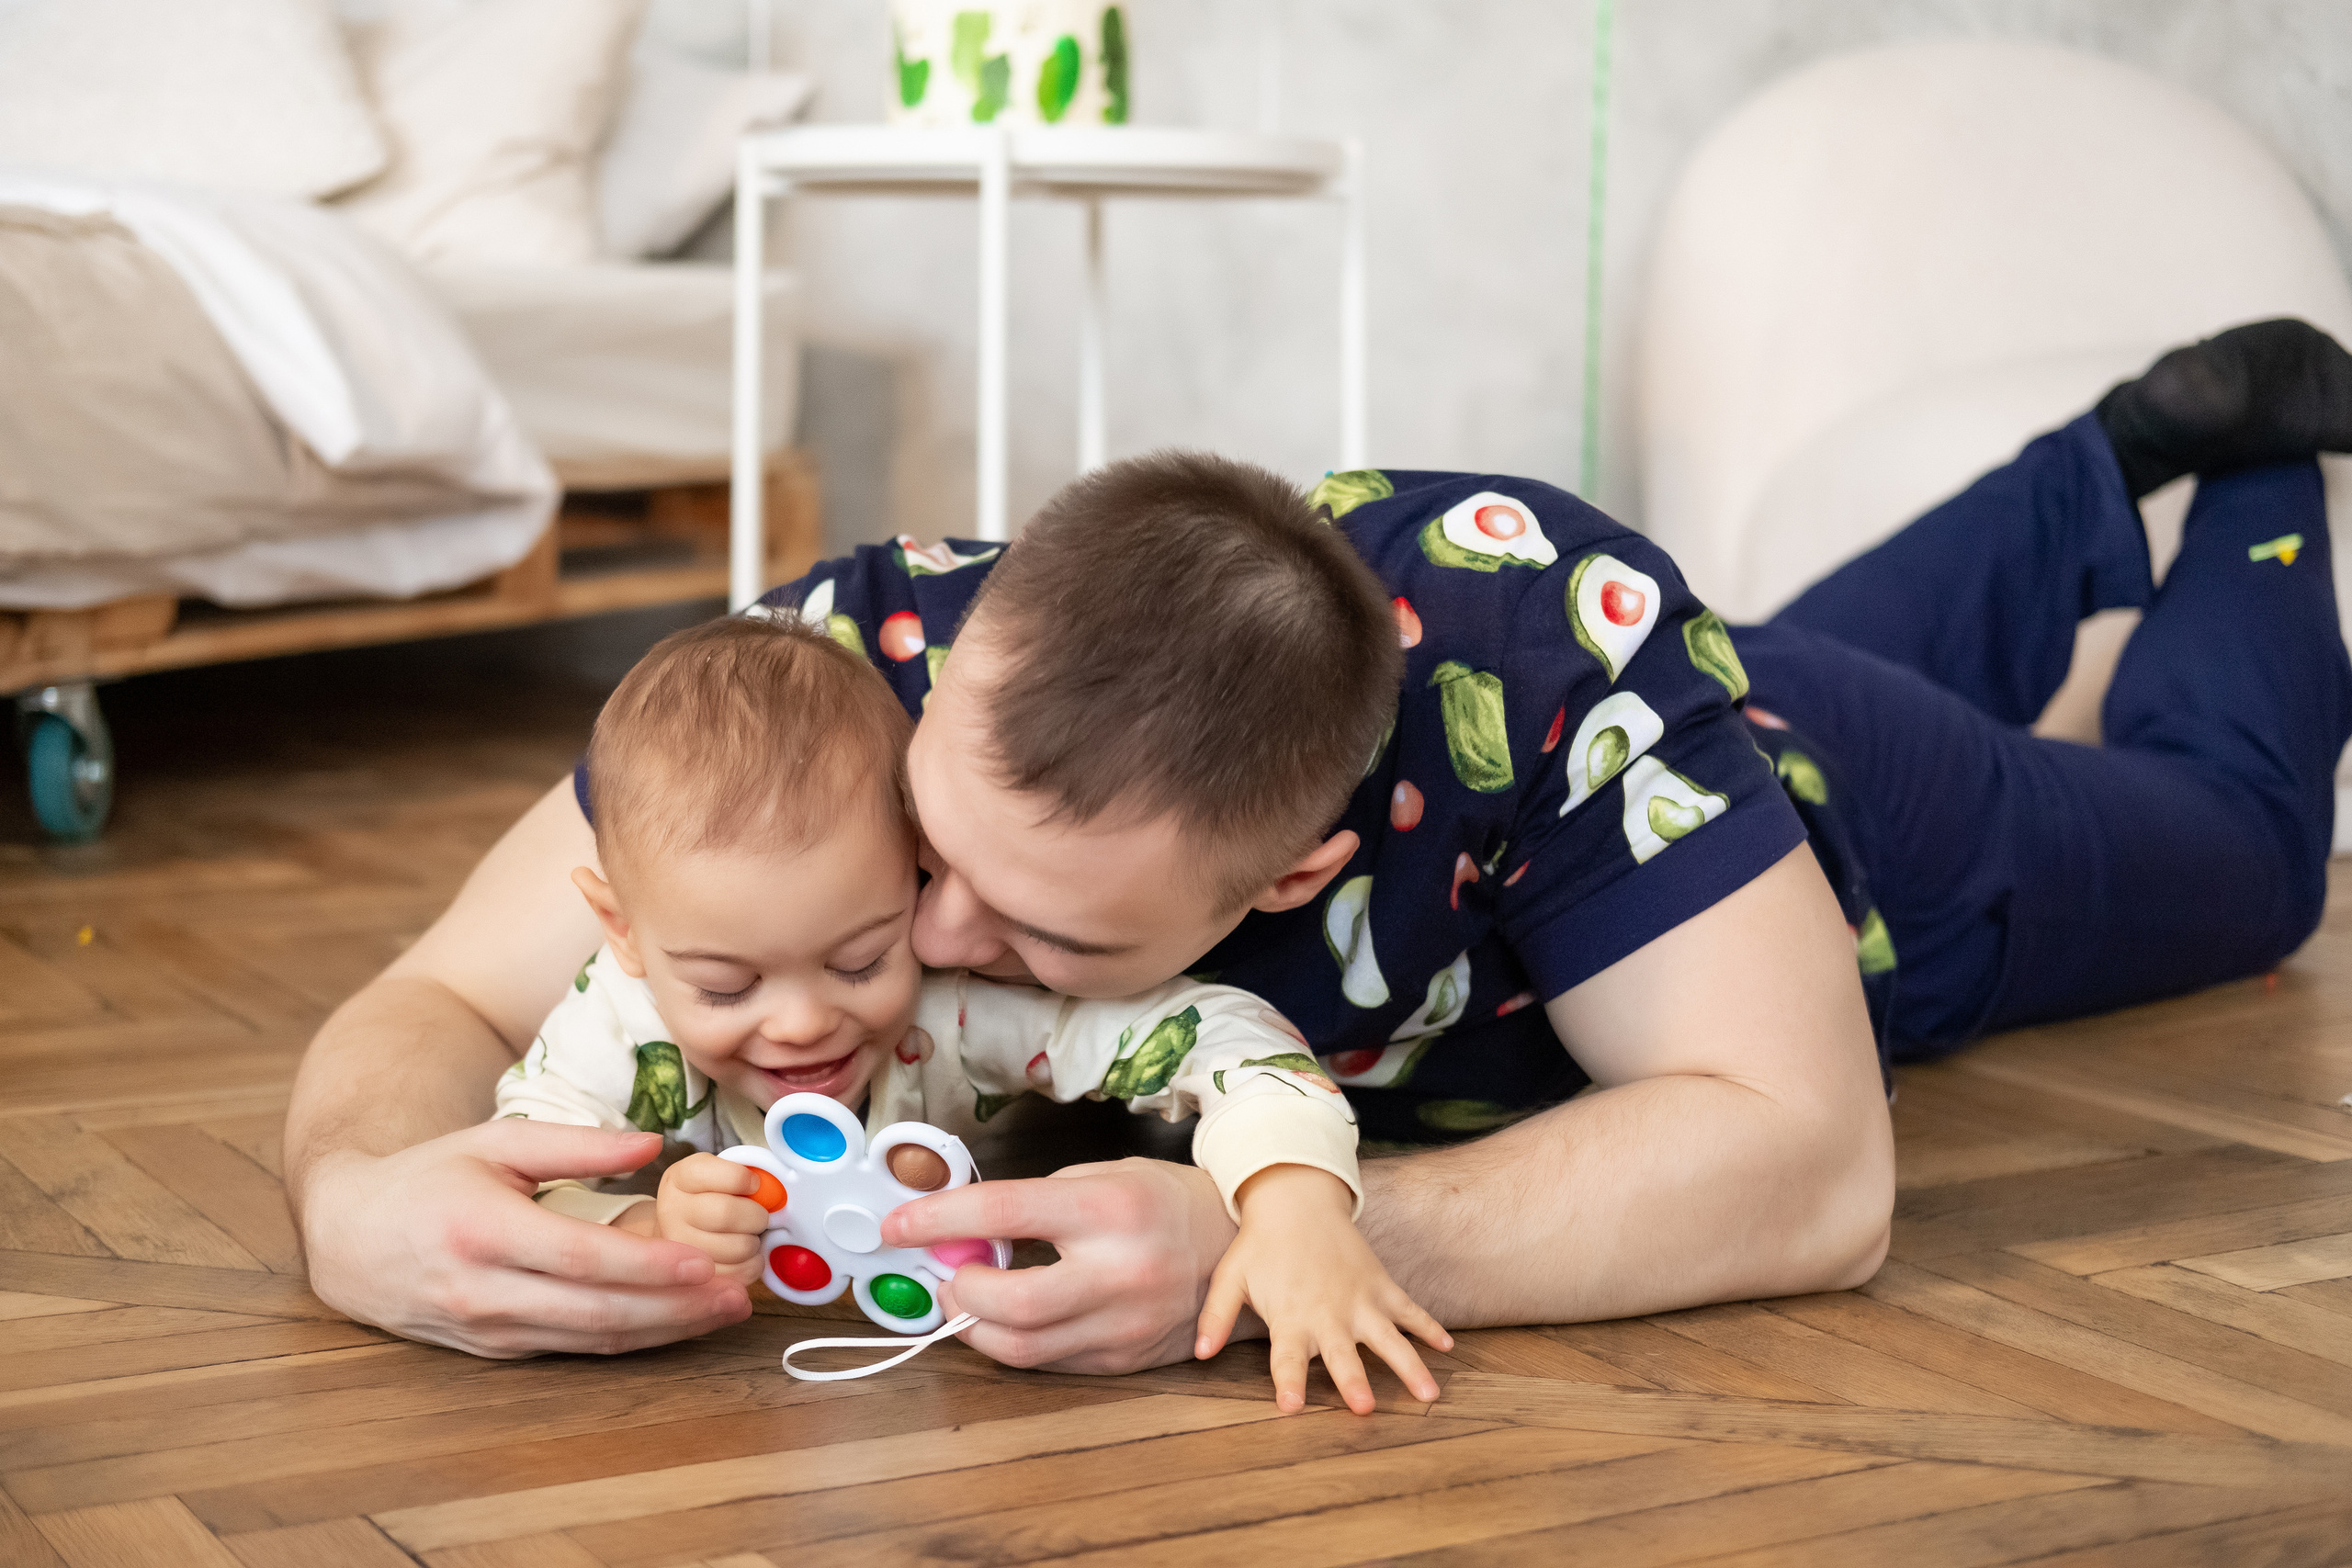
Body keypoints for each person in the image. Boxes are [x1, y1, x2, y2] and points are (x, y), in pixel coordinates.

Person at [285, 318, 2352, 1368]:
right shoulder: (851, 661)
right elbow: (452, 979)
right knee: (1761, 657)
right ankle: (2097, 464)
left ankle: (2249, 470)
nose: (942, 940)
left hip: (1847, 837)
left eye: (1050, 933)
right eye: (938, 851)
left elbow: (1812, 1174)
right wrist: (352, 1196)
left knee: (2239, 858)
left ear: (1284, 878)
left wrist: (1286, 1227)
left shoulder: (1565, 679)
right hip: (1666, 713)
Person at [492, 612, 1448, 1410]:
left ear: (914, 867)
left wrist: (1293, 1203)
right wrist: (647, 1235)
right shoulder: (616, 1024)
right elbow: (514, 1187)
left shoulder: (952, 1010)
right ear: (623, 930)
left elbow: (1225, 1038)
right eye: (725, 987)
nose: (797, 1024)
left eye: (861, 958)